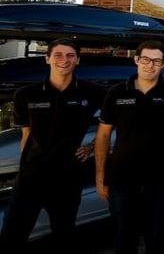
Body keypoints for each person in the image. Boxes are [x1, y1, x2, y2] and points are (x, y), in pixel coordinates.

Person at [0, 37, 105, 253]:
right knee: (12, 238)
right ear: (47, 59)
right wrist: (27, 165)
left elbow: (114, 123)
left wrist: (91, 147)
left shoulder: (93, 92)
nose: (63, 60)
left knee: (63, 240)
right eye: (57, 55)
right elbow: (26, 136)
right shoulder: (26, 94)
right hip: (31, 180)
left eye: (70, 55)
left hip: (68, 180)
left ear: (77, 60)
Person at [94, 40, 164, 254]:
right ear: (136, 60)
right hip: (122, 179)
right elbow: (102, 136)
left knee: (155, 239)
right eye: (145, 59)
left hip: (160, 179)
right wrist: (100, 177)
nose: (150, 65)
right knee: (124, 239)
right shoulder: (117, 92)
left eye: (157, 61)